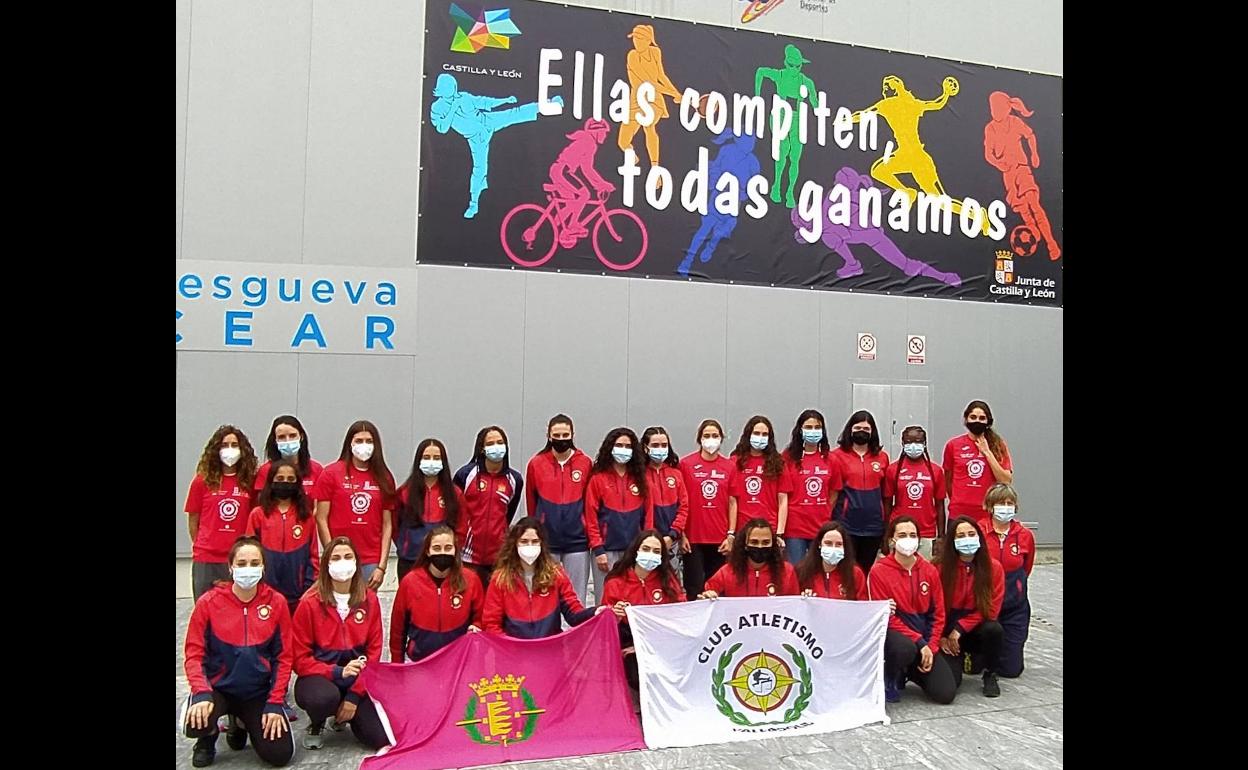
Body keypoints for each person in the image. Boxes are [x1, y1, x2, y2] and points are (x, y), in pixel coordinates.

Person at [182, 537, 293, 767]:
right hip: (218, 689)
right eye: (241, 564)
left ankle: (241, 723)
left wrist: (275, 702)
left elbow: (284, 658)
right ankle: (207, 737)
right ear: (230, 567)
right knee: (195, 723)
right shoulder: (208, 603)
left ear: (263, 567)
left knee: (280, 754)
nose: (248, 569)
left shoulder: (277, 603)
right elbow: (194, 654)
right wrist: (201, 693)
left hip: (256, 693)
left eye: (255, 563)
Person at [290, 537, 388, 751]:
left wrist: (354, 696)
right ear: (326, 564)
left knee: (380, 737)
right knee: (322, 698)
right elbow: (299, 659)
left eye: (347, 557)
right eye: (335, 558)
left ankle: (344, 714)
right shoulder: (309, 603)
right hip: (321, 679)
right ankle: (317, 723)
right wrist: (336, 671)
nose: (342, 562)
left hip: (358, 680)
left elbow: (374, 654)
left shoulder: (370, 600)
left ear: (356, 562)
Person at [868, 516, 955, 704]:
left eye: (912, 535)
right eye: (902, 535)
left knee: (946, 693)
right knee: (904, 648)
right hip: (898, 636)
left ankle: (913, 671)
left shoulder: (929, 570)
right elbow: (887, 617)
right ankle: (892, 674)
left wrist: (931, 647)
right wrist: (920, 642)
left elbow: (938, 613)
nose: (908, 539)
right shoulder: (879, 571)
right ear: (892, 540)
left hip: (924, 638)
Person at [482, 517, 610, 637]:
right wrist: (509, 646)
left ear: (542, 545)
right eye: (524, 541)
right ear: (514, 544)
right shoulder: (500, 579)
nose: (530, 545)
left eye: (535, 541)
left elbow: (573, 613)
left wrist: (595, 612)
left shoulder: (556, 575)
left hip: (550, 650)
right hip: (513, 653)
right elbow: (491, 624)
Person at [314, 421, 396, 590]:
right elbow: (321, 518)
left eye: (369, 441)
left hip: (370, 560)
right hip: (340, 557)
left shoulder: (384, 477)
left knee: (364, 610)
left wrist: (381, 566)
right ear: (349, 443)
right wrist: (331, 554)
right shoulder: (330, 474)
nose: (364, 446)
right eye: (359, 441)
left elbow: (387, 524)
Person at [600, 529, 686, 688]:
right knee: (636, 675)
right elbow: (604, 624)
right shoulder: (616, 582)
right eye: (646, 549)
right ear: (636, 551)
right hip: (629, 641)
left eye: (656, 551)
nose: (650, 554)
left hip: (662, 639)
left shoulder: (668, 581)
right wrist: (614, 614)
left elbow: (681, 614)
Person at [524, 414, 593, 605]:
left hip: (577, 540)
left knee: (576, 596)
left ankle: (574, 633)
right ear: (549, 435)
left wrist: (586, 528)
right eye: (557, 435)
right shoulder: (536, 464)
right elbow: (531, 500)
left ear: (572, 434)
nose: (561, 439)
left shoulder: (585, 463)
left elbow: (590, 501)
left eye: (565, 435)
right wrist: (537, 530)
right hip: (547, 540)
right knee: (545, 592)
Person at [390, 526, 485, 662]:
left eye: (448, 548)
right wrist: (396, 664)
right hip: (420, 661)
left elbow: (481, 617)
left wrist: (477, 626)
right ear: (427, 551)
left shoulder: (471, 580)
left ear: (455, 550)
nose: (442, 552)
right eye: (436, 548)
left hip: (460, 660)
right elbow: (397, 629)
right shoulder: (410, 582)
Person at [186, 425, 259, 600]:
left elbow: (254, 516)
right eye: (225, 445)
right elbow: (193, 519)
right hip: (206, 558)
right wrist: (203, 544)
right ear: (216, 450)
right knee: (205, 609)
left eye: (235, 445)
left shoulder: (249, 482)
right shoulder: (202, 481)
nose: (230, 450)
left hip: (238, 558)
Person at [937, 517, 1005, 698]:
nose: (966, 539)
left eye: (971, 534)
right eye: (960, 536)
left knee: (994, 629)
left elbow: (991, 610)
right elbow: (933, 609)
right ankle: (964, 659)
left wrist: (960, 629)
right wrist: (940, 638)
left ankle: (990, 673)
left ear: (979, 537)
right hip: (947, 628)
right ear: (952, 541)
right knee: (951, 683)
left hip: (976, 626)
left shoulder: (994, 568)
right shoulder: (938, 568)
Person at [453, 425, 524, 585]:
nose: (496, 447)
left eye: (500, 442)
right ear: (482, 448)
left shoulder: (515, 480)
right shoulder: (465, 475)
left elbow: (508, 513)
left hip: (497, 558)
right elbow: (453, 511)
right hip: (467, 556)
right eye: (490, 443)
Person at [976, 483, 1034, 678]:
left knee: (1011, 670)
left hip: (1014, 607)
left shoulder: (1025, 536)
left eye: (1010, 503)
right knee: (974, 667)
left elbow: (1026, 567)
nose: (1006, 507)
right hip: (984, 604)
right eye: (1001, 503)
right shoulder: (978, 532)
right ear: (990, 506)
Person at [394, 438, 466, 581]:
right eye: (426, 457)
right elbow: (395, 525)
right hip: (410, 560)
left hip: (443, 562)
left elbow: (462, 526)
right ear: (418, 461)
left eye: (436, 458)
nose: (431, 461)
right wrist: (405, 544)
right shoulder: (404, 493)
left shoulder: (455, 494)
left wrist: (451, 550)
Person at [679, 419, 736, 598]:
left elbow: (733, 502)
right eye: (706, 436)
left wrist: (731, 535)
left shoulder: (730, 466)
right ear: (699, 439)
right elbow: (681, 501)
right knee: (694, 588)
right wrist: (682, 534)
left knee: (718, 590)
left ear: (721, 439)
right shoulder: (686, 464)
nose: (711, 440)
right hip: (693, 539)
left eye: (715, 436)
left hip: (720, 540)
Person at [585, 427, 651, 574]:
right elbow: (591, 517)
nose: (624, 449)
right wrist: (598, 549)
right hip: (606, 551)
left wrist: (646, 546)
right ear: (610, 448)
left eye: (628, 446)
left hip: (635, 551)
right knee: (605, 596)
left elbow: (648, 516)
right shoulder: (598, 479)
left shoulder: (641, 479)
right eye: (619, 445)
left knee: (633, 595)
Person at [829, 410, 889, 575]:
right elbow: (832, 493)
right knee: (846, 571)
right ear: (850, 429)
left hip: (874, 526)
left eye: (866, 429)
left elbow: (885, 495)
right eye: (857, 428)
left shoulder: (882, 457)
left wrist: (886, 526)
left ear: (872, 432)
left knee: (864, 572)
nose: (861, 432)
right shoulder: (836, 456)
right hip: (846, 524)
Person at [783, 409, 839, 564]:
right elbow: (782, 493)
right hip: (795, 527)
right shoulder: (788, 457)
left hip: (821, 525)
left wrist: (826, 509)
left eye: (817, 427)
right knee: (797, 570)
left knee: (819, 570)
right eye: (808, 427)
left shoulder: (831, 459)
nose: (813, 431)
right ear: (800, 430)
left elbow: (834, 491)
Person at [883, 425, 947, 560]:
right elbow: (887, 503)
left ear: (924, 444)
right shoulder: (892, 469)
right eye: (909, 442)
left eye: (917, 442)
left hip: (926, 533)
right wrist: (885, 535)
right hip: (899, 531)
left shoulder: (936, 470)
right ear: (902, 443)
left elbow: (940, 505)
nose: (913, 445)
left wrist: (941, 537)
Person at [943, 400, 1014, 519]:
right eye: (973, 417)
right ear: (966, 419)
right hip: (959, 513)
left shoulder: (998, 445)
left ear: (988, 422)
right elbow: (948, 479)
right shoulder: (953, 445)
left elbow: (1005, 480)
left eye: (982, 418)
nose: (977, 421)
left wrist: (987, 452)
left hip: (987, 512)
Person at [698, 518, 799, 598]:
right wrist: (707, 596)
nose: (760, 546)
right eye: (754, 542)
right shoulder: (727, 572)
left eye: (765, 542)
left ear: (773, 545)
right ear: (745, 544)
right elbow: (704, 598)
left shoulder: (787, 572)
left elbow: (796, 606)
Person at [729, 415, 792, 542]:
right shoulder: (735, 461)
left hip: (769, 529)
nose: (760, 437)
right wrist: (731, 532)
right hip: (742, 529)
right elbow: (731, 500)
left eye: (765, 434)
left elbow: (783, 501)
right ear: (748, 435)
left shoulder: (778, 462)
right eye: (757, 433)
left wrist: (779, 533)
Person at [641, 426, 689, 575]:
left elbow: (684, 506)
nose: (660, 449)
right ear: (645, 447)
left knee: (671, 584)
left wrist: (673, 534)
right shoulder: (638, 475)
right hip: (646, 541)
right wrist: (649, 537)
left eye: (664, 445)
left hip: (672, 541)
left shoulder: (675, 473)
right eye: (655, 445)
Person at [254, 414, 323, 500]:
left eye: (292, 435)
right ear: (275, 440)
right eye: (281, 437)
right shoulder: (266, 470)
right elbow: (262, 504)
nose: (288, 440)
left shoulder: (316, 469)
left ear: (301, 437)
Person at [796, 521, 867, 600]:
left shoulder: (855, 574)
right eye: (828, 543)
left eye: (838, 544)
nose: (833, 548)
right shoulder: (802, 572)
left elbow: (862, 605)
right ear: (819, 544)